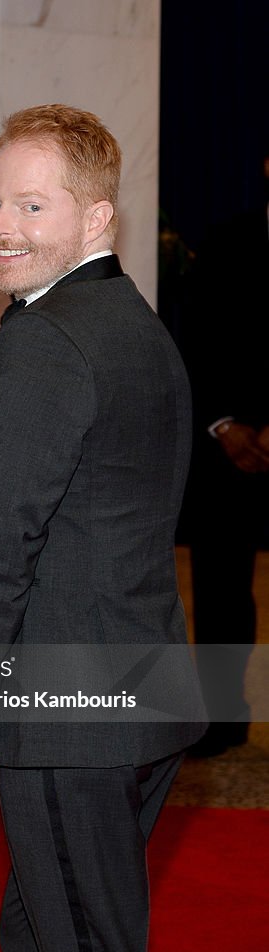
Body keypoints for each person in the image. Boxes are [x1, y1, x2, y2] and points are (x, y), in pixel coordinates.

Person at [0, 105, 206, 952]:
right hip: (142, 690)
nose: (1, 227)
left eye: (32, 207)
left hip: (70, 710)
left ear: (96, 219)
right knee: (46, 935)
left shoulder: (47, 338)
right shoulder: (137, 326)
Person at [179, 153, 269, 757]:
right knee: (219, 588)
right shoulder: (226, 241)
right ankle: (220, 717)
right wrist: (224, 424)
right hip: (227, 447)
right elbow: (188, 337)